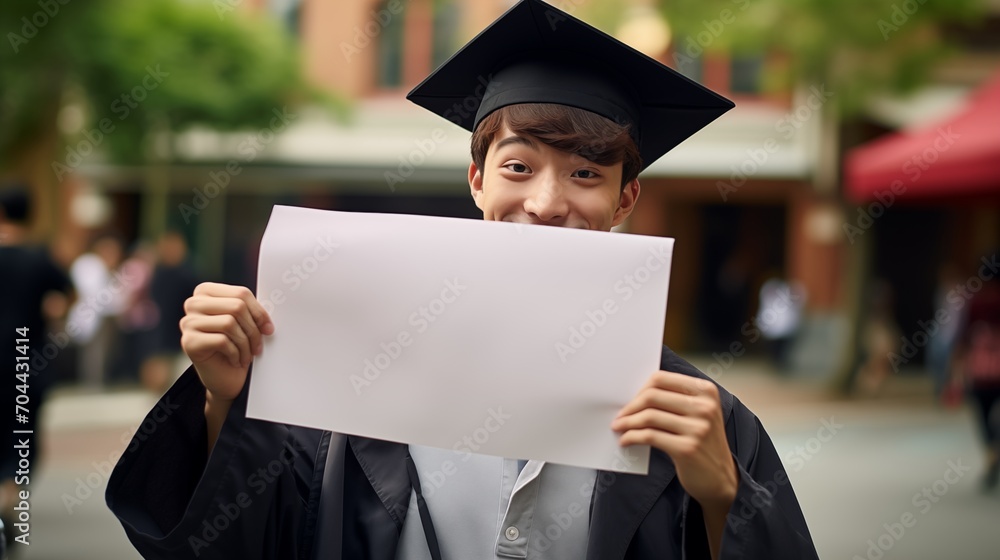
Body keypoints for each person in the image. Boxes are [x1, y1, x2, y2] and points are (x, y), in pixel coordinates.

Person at [106, 1, 819, 558]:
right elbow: (237, 546)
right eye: (518, 167)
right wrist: (225, 403)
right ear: (477, 180)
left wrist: (726, 499)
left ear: (624, 200)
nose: (544, 203)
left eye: (586, 174)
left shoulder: (699, 419)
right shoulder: (347, 382)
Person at [0, 184, 74, 553]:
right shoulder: (39, 259)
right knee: (20, 435)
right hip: (25, 361)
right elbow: (68, 295)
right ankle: (8, 500)